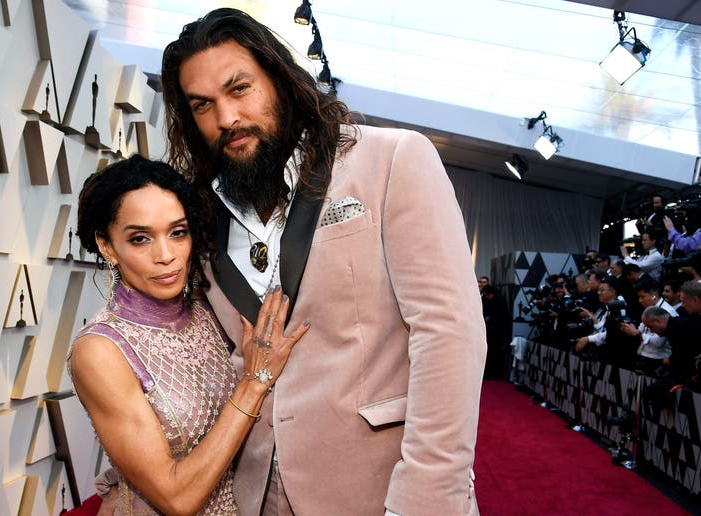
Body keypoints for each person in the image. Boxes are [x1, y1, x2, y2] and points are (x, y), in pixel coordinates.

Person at [160, 8, 485, 515]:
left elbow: (448, 335)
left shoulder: (392, 159)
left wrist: (424, 498)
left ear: (281, 80)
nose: (226, 118)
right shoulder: (201, 219)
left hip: (381, 491)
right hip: (254, 494)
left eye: (239, 89)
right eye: (203, 105)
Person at [68, 155, 310, 515]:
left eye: (178, 233)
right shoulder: (101, 351)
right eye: (140, 239)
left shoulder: (207, 309)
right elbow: (176, 498)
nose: (166, 255)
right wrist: (254, 382)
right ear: (107, 246)